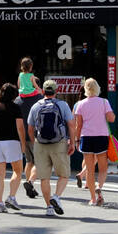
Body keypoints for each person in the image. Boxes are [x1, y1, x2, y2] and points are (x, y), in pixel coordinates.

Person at [27, 80, 76, 216]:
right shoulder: (62, 105)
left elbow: (30, 128)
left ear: (43, 91)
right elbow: (71, 125)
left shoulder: (36, 106)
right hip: (59, 143)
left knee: (44, 178)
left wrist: (35, 142)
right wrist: (72, 142)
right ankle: (56, 196)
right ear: (56, 91)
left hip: (40, 144)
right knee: (64, 175)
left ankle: (49, 207)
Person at [0, 83, 27, 213]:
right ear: (14, 95)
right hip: (12, 142)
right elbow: (20, 127)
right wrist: (23, 143)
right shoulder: (15, 107)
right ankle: (11, 197)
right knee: (17, 171)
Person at [74, 77, 116, 206]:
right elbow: (111, 119)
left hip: (86, 137)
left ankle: (92, 198)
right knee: (103, 168)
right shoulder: (104, 102)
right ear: (97, 88)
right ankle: (99, 186)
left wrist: (76, 140)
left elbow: (78, 125)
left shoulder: (80, 104)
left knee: (90, 169)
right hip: (101, 136)